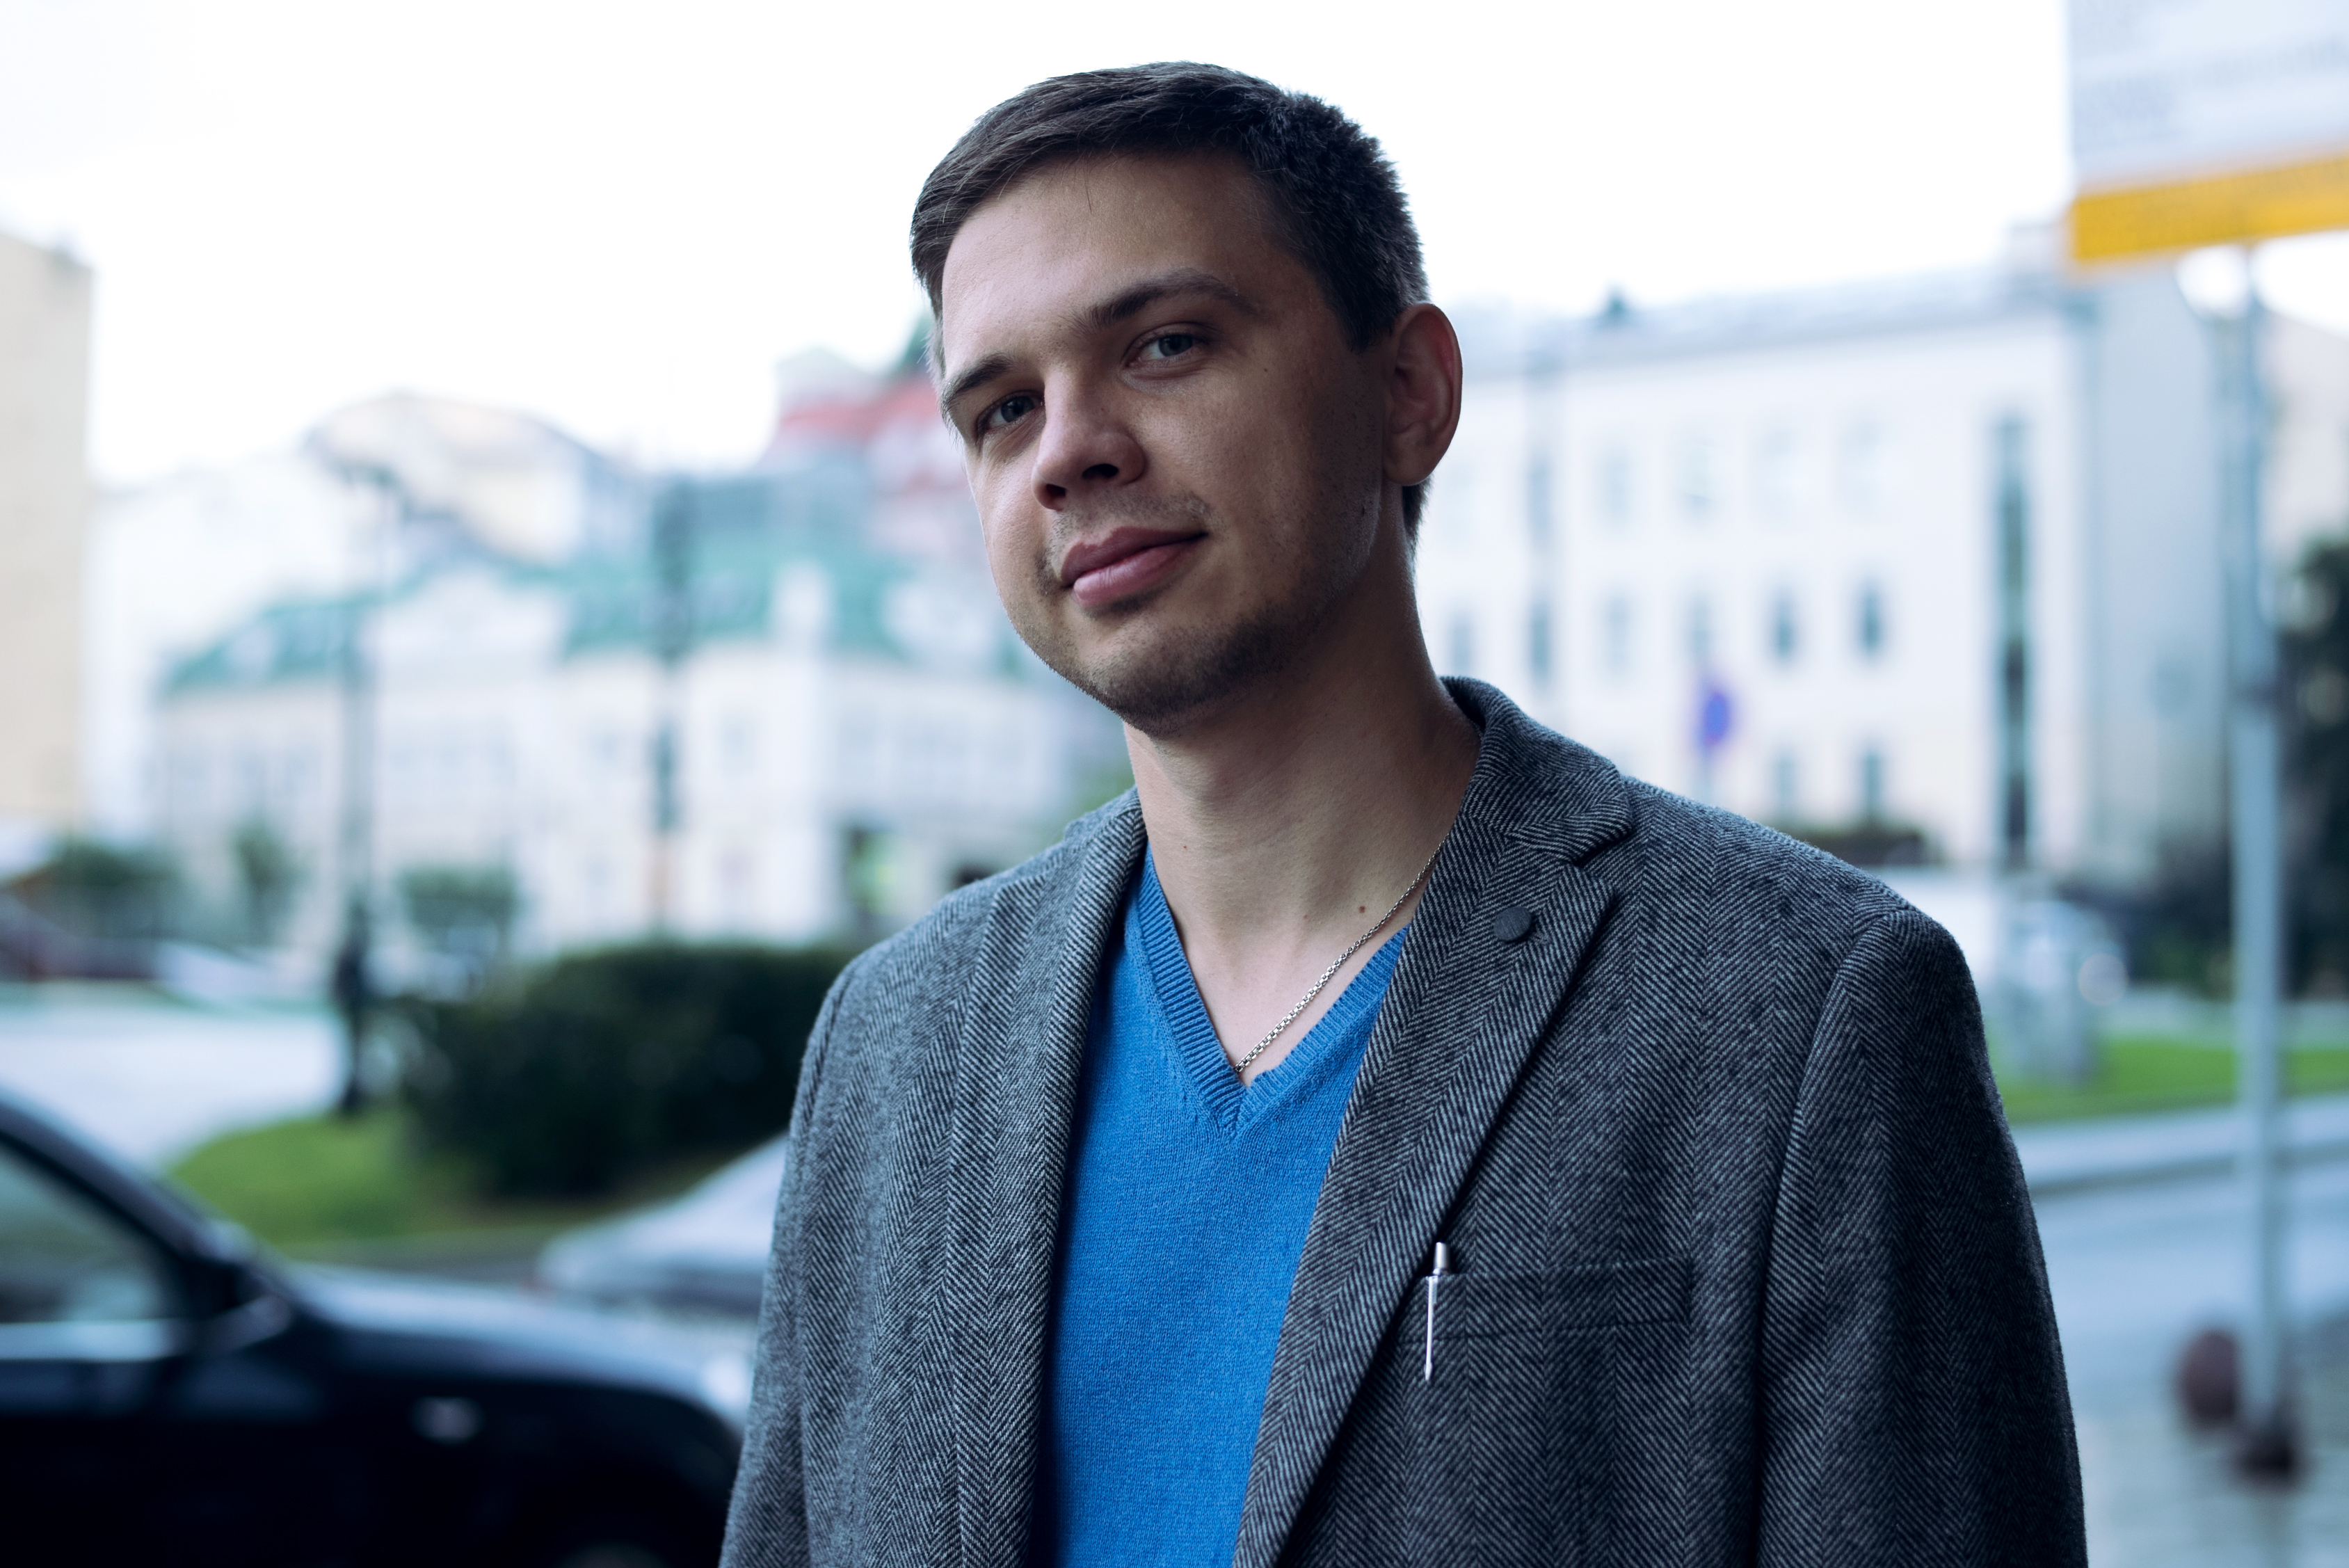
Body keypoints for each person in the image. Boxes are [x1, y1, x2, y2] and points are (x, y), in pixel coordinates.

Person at [723, 63, 2083, 1568]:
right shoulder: (891, 1044)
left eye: (1167, 344)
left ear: (1408, 392)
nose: (1069, 449)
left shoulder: (1806, 1013)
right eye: (1000, 407)